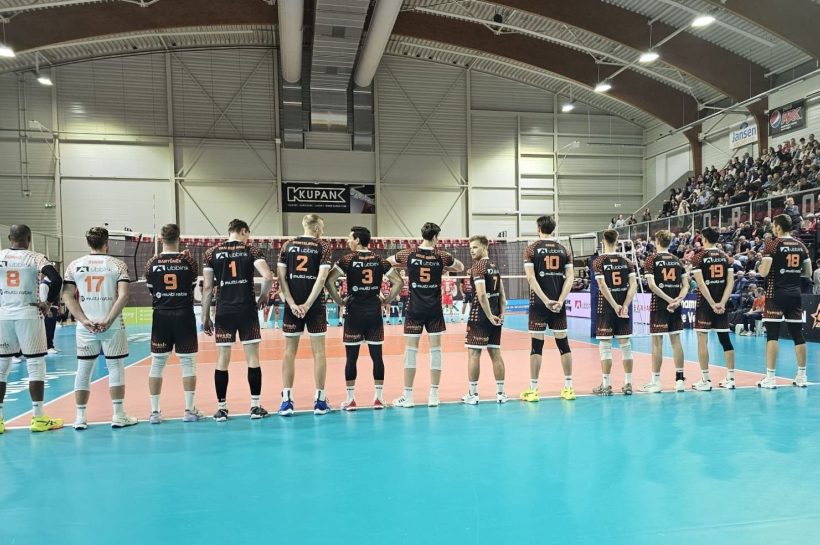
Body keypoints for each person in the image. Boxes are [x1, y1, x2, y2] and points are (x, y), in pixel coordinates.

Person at [63, 227, 137, 430]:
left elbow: (67, 295)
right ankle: (118, 415)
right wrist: (109, 320)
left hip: (85, 327)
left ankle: (80, 418)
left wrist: (83, 320)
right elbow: (124, 295)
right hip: (112, 325)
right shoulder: (117, 265)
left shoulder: (74, 265)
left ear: (88, 243)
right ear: (107, 243)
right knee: (115, 368)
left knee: (83, 369)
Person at [201, 219, 273, 421]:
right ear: (243, 231)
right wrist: (264, 296)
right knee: (253, 358)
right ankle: (255, 407)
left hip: (224, 310)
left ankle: (222, 409)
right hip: (247, 309)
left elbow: (207, 288)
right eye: (248, 234)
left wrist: (205, 316)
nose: (248, 238)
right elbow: (268, 276)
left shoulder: (211, 253)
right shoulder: (250, 250)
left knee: (222, 359)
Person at [389, 223, 463, 408]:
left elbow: (387, 262)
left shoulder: (409, 254)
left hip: (414, 308)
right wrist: (444, 268)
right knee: (435, 351)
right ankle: (434, 396)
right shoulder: (442, 256)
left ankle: (408, 397)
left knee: (410, 352)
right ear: (436, 237)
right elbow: (460, 267)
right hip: (434, 310)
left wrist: (402, 267)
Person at [326, 226, 401, 411]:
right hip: (374, 312)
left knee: (351, 358)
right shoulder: (380, 260)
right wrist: (387, 300)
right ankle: (379, 399)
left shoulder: (347, 259)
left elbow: (329, 280)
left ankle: (350, 400)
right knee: (377, 357)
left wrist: (339, 301)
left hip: (354, 312)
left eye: (350, 238)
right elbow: (398, 281)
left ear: (358, 240)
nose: (348, 241)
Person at [0, 224, 64, 434]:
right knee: (35, 364)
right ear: (29, 238)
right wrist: (48, 303)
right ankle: (38, 418)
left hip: (3, 315)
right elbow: (56, 279)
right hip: (29, 313)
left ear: (9, 237)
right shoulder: (36, 257)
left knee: (2, 367)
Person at [143, 224, 203, 424]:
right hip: (184, 315)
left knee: (157, 364)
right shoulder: (189, 262)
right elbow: (192, 287)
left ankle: (154, 412)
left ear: (161, 239)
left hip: (161, 315)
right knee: (188, 363)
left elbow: (152, 290)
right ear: (179, 239)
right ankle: (189, 410)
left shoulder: (152, 263)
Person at [276, 214, 333, 416]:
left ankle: (286, 401)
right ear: (316, 228)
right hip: (314, 305)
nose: (323, 232)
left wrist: (292, 303)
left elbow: (281, 278)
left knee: (289, 352)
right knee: (319, 352)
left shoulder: (288, 245)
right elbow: (322, 278)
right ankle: (320, 401)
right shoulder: (322, 246)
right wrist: (308, 304)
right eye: (322, 228)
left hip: (292, 306)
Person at [520, 215, 575, 402]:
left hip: (539, 304)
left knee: (536, 346)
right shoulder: (564, 249)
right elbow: (570, 277)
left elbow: (531, 278)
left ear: (538, 229)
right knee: (563, 344)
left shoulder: (531, 249)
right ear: (553, 229)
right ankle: (569, 388)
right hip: (558, 305)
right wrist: (560, 300)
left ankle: (533, 390)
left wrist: (545, 300)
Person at [757, 214, 812, 389]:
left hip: (775, 294)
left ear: (778, 227)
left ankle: (771, 378)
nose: (773, 229)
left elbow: (763, 272)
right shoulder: (801, 245)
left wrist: (760, 265)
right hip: (795, 294)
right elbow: (808, 272)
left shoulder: (772, 245)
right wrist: (791, 273)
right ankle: (802, 376)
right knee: (798, 335)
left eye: (774, 225)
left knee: (772, 335)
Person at [462, 235, 508, 405]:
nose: (471, 251)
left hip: (480, 316)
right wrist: (501, 314)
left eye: (475, 247)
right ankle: (501, 394)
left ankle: (473, 395)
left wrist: (488, 316)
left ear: (484, 247)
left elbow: (481, 294)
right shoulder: (494, 267)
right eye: (470, 248)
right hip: (496, 315)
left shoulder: (478, 266)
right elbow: (502, 295)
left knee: (474, 354)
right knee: (496, 353)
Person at [641, 230, 688, 394]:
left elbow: (652, 285)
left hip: (659, 305)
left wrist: (669, 300)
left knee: (657, 343)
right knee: (676, 341)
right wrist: (677, 301)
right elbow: (686, 285)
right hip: (675, 305)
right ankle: (680, 380)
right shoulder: (677, 260)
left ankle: (656, 382)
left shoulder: (652, 259)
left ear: (657, 241)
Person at [688, 227, 735, 389]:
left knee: (702, 340)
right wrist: (721, 302)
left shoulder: (698, 257)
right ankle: (731, 378)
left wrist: (713, 303)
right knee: (725, 339)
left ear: (704, 239)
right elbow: (730, 282)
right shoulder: (725, 257)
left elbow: (701, 284)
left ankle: (705, 380)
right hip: (722, 304)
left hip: (705, 304)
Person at [592, 230, 637, 396]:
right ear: (617, 241)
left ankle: (606, 385)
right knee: (626, 347)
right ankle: (628, 384)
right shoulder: (627, 261)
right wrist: (624, 305)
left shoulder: (599, 261)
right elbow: (633, 285)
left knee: (605, 347)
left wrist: (614, 305)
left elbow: (602, 286)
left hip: (606, 308)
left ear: (603, 241)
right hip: (623, 309)